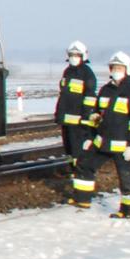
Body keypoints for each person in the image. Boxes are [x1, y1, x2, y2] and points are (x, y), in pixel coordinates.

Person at [71, 51, 130, 218]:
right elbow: (96, 115)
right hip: (102, 142)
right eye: (114, 67)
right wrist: (89, 137)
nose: (116, 70)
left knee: (127, 179)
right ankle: (82, 199)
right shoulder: (106, 90)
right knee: (84, 164)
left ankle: (127, 212)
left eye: (119, 67)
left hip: (122, 145)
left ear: (127, 69)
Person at [55, 41, 97, 170]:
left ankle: (80, 170)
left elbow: (90, 97)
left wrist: (85, 116)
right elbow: (64, 95)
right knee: (69, 148)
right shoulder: (67, 71)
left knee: (78, 148)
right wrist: (60, 114)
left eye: (77, 55)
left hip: (78, 120)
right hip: (67, 119)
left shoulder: (87, 74)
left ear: (83, 56)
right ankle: (72, 168)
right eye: (72, 54)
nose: (74, 57)